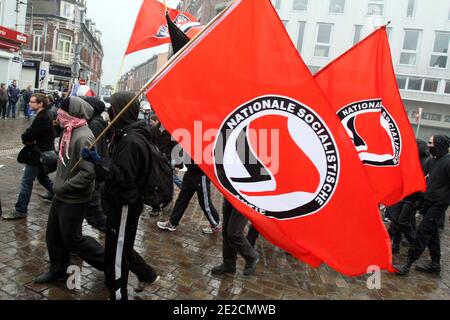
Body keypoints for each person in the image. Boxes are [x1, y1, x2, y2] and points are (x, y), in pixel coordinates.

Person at [82, 92, 158, 300]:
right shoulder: (123, 134)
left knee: (116, 252)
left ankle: (118, 294)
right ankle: (145, 275)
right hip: (119, 201)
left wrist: (98, 161)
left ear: (123, 110)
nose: (109, 113)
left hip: (126, 203)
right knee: (119, 246)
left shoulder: (131, 140)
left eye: (112, 108)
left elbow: (122, 177)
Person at [33, 96, 104, 283]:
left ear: (72, 114)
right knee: (53, 235)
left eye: (62, 111)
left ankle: (109, 263)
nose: (58, 114)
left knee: (73, 238)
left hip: (74, 197)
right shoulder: (69, 131)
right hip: (62, 194)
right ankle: (58, 269)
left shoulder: (83, 136)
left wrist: (64, 186)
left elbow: (88, 173)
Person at [395, 135, 450, 276]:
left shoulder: (448, 162)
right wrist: (419, 201)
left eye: (431, 143)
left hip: (439, 205)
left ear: (439, 145)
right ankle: (435, 265)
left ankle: (408, 263)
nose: (429, 146)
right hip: (428, 202)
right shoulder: (432, 162)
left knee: (423, 232)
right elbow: (428, 182)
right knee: (433, 234)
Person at [2, 94, 55, 220]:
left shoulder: (42, 117)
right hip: (42, 153)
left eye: (32, 102)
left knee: (26, 182)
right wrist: (29, 136)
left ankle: (20, 210)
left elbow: (29, 136)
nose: (29, 104)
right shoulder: (45, 115)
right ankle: (56, 194)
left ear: (40, 104)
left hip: (37, 155)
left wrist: (26, 137)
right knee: (42, 178)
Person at [157, 155, 221, 234]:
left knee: (205, 203)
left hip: (201, 175)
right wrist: (178, 165)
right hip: (189, 173)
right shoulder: (191, 143)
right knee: (182, 199)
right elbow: (184, 152)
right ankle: (172, 223)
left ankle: (215, 224)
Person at [388, 139, 430, 254]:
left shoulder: (426, 163)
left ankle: (414, 244)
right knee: (397, 222)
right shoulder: (410, 160)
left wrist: (420, 200)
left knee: (400, 223)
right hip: (404, 196)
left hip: (412, 199)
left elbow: (425, 183)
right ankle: (396, 245)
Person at [211, 198, 259, 276]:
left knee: (234, 232)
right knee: (226, 231)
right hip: (229, 194)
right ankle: (229, 264)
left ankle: (252, 256)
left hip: (243, 197)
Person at [83, 96, 108, 232]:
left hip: (95, 171)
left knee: (93, 208)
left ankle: (107, 227)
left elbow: (93, 148)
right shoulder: (96, 121)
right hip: (98, 168)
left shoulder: (94, 124)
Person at [147, 115, 180, 216]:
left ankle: (166, 200)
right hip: (154, 161)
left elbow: (177, 148)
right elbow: (149, 144)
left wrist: (177, 164)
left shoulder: (173, 131)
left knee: (166, 183)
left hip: (167, 162)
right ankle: (155, 206)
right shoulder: (152, 130)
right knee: (153, 184)